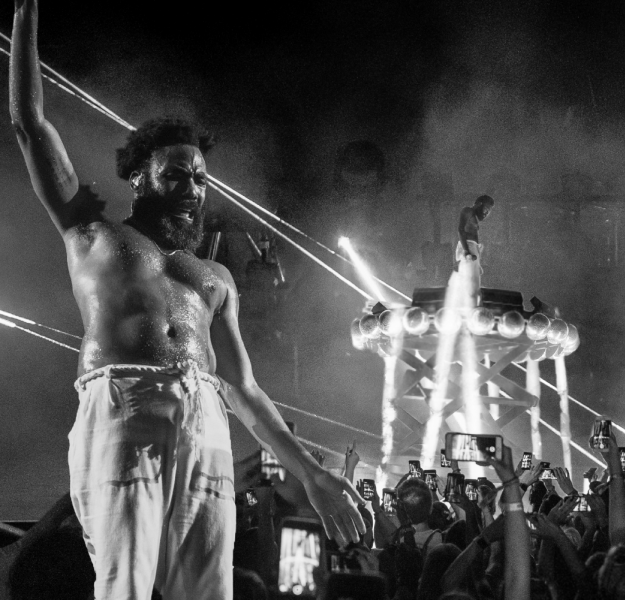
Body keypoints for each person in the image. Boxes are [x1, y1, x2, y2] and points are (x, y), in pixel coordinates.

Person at [8, 2, 364, 599]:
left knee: (208, 591)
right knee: (126, 585)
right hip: (125, 409)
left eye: (200, 177)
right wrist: (24, 13)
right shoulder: (94, 235)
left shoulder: (215, 277)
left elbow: (245, 390)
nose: (192, 188)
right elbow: (30, 124)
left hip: (208, 424)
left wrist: (314, 475)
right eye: (176, 173)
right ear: (140, 177)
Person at [454, 194, 493, 304]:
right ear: (480, 204)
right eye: (486, 209)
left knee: (474, 285)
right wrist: (466, 251)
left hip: (472, 249)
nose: (487, 213)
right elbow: (460, 230)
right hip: (468, 248)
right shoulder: (468, 211)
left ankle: (472, 308)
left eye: (489, 211)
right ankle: (465, 308)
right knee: (469, 285)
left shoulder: (474, 218)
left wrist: (477, 249)